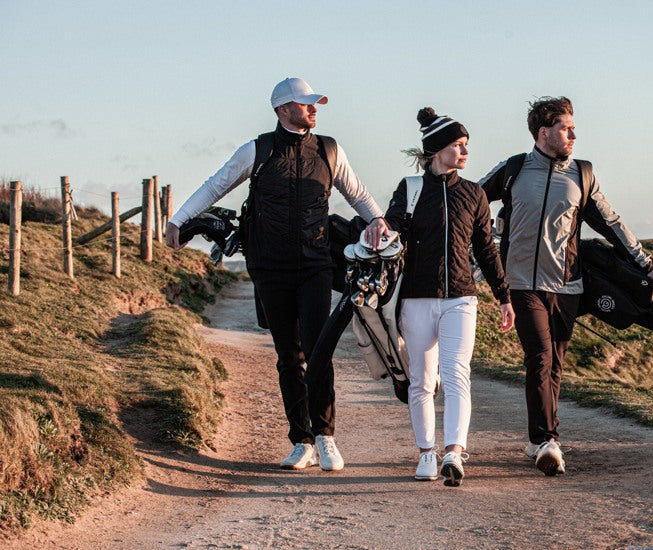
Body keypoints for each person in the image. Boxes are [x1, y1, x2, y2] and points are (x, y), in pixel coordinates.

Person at [166, 77, 388, 472]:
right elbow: (216, 186)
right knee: (289, 356)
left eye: (314, 103)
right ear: (282, 109)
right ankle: (300, 440)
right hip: (270, 268)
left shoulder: (328, 149)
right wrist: (179, 219)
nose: (313, 109)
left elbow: (357, 192)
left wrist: (379, 221)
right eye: (305, 104)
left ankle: (326, 437)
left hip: (316, 265)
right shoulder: (258, 150)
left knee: (318, 351)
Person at [479, 97, 653, 476]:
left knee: (555, 366)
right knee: (540, 358)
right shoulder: (514, 170)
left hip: (567, 286)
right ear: (543, 131)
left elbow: (611, 223)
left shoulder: (582, 174)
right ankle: (549, 440)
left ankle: (536, 439)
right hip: (520, 284)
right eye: (566, 128)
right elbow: (471, 200)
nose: (574, 134)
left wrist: (646, 262)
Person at [373, 108, 514, 487]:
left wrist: (503, 296)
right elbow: (393, 227)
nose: (465, 152)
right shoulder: (411, 189)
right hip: (416, 299)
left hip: (461, 299)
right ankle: (425, 454)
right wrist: (381, 225)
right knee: (421, 380)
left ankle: (453, 452)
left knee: (456, 374)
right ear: (437, 149)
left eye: (466, 145)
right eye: (457, 145)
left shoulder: (474, 194)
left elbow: (487, 249)